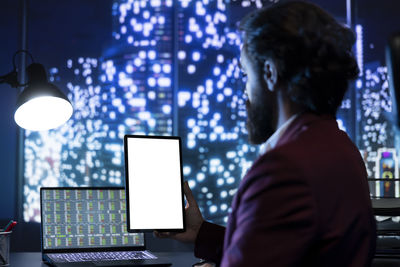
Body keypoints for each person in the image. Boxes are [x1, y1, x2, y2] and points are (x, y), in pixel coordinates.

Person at [155, 1, 376, 266]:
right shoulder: (343, 150)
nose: (245, 93)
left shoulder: (285, 169)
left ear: (270, 73)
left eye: (246, 75)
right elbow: (284, 250)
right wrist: (201, 233)